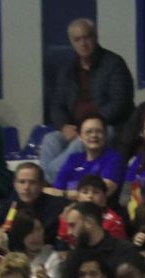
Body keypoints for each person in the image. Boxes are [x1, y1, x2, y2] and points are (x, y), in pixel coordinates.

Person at [42, 19, 135, 177]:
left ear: (95, 37)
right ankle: (50, 181)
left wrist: (90, 124)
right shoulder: (67, 70)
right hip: (77, 128)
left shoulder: (114, 64)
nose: (83, 43)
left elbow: (120, 103)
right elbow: (56, 105)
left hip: (109, 127)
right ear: (71, 42)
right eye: (77, 39)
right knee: (50, 139)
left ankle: (49, 180)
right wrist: (63, 126)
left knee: (82, 141)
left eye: (86, 37)